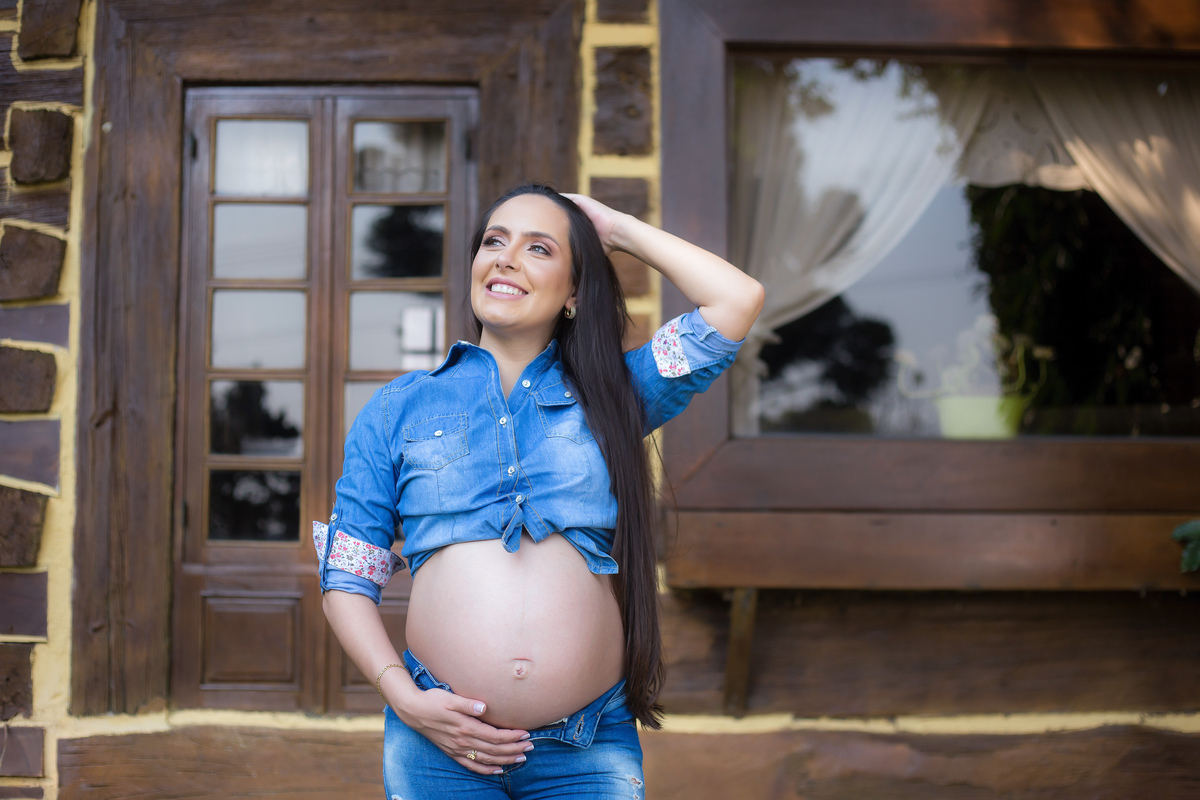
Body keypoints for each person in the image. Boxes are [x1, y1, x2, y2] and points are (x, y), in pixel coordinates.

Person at [318, 183, 764, 799]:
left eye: (539, 248)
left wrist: (618, 229)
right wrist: (404, 696)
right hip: (439, 742)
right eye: (494, 241)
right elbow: (346, 578)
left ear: (576, 291)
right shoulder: (399, 407)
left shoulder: (618, 394)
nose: (505, 257)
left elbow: (735, 301)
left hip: (588, 744)